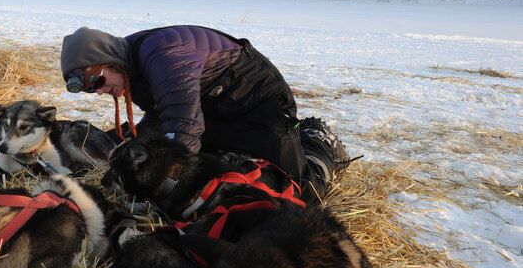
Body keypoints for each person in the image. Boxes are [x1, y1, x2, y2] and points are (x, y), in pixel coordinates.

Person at [60, 25, 350, 199]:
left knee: (298, 192)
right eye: (89, 90)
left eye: (96, 82)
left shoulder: (164, 54)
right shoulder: (131, 63)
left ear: (110, 61)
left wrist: (165, 184)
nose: (98, 91)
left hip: (256, 101)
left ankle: (318, 142)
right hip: (210, 107)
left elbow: (182, 126)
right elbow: (165, 114)